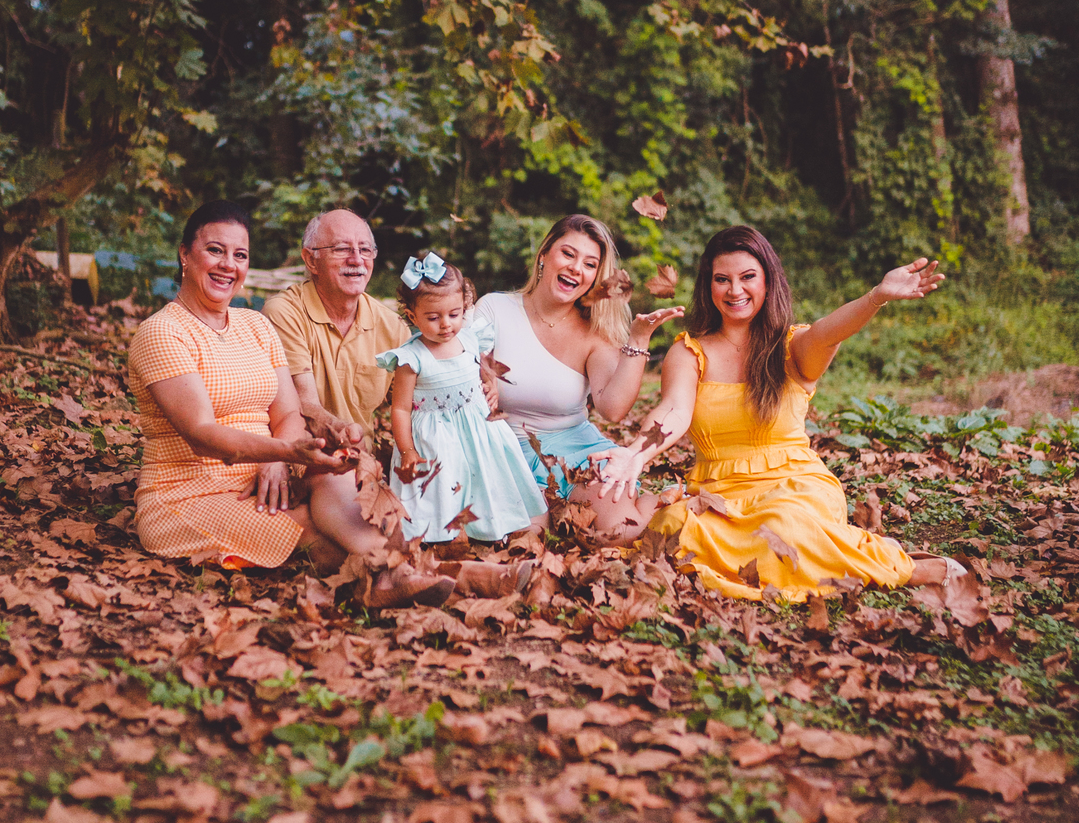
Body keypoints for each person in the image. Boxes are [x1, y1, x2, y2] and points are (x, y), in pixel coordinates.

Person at [596, 224, 959, 601]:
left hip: (795, 485)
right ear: (708, 286)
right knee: (674, 530)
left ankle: (909, 566)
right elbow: (673, 409)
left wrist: (876, 297)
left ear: (768, 281)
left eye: (748, 277)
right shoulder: (689, 353)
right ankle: (829, 553)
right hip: (720, 493)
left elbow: (828, 332)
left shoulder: (792, 346)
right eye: (722, 279)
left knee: (782, 526)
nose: (735, 290)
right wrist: (635, 454)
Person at [127, 201, 453, 606]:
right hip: (190, 495)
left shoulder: (254, 325)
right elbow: (202, 435)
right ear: (184, 254)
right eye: (215, 250)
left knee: (337, 481)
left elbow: (287, 413)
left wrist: (290, 456)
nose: (228, 264)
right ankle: (459, 578)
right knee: (318, 533)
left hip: (267, 480)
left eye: (240, 255)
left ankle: (406, 578)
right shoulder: (162, 332)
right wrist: (283, 451)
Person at [474, 214, 683, 539]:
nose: (576, 268)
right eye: (568, 254)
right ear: (544, 255)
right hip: (498, 448)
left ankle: (665, 502)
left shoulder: (595, 333)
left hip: (573, 450)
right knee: (512, 534)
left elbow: (612, 409)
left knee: (618, 532)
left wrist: (639, 338)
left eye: (589, 264)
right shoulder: (494, 308)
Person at [262, 208, 410, 553]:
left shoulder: (392, 327)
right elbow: (304, 403)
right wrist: (338, 427)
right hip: (298, 456)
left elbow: (418, 402)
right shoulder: (285, 312)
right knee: (376, 536)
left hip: (360, 465)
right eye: (342, 249)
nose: (356, 259)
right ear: (310, 260)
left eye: (365, 250)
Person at [377, 252, 547, 545]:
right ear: (412, 315)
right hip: (436, 438)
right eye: (433, 317)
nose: (445, 324)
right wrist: (406, 450)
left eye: (454, 315)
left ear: (464, 308)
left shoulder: (469, 338)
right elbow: (401, 409)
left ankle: (493, 530)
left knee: (486, 477)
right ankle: (443, 541)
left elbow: (483, 369)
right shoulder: (411, 359)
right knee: (441, 488)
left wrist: (491, 386)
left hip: (478, 428)